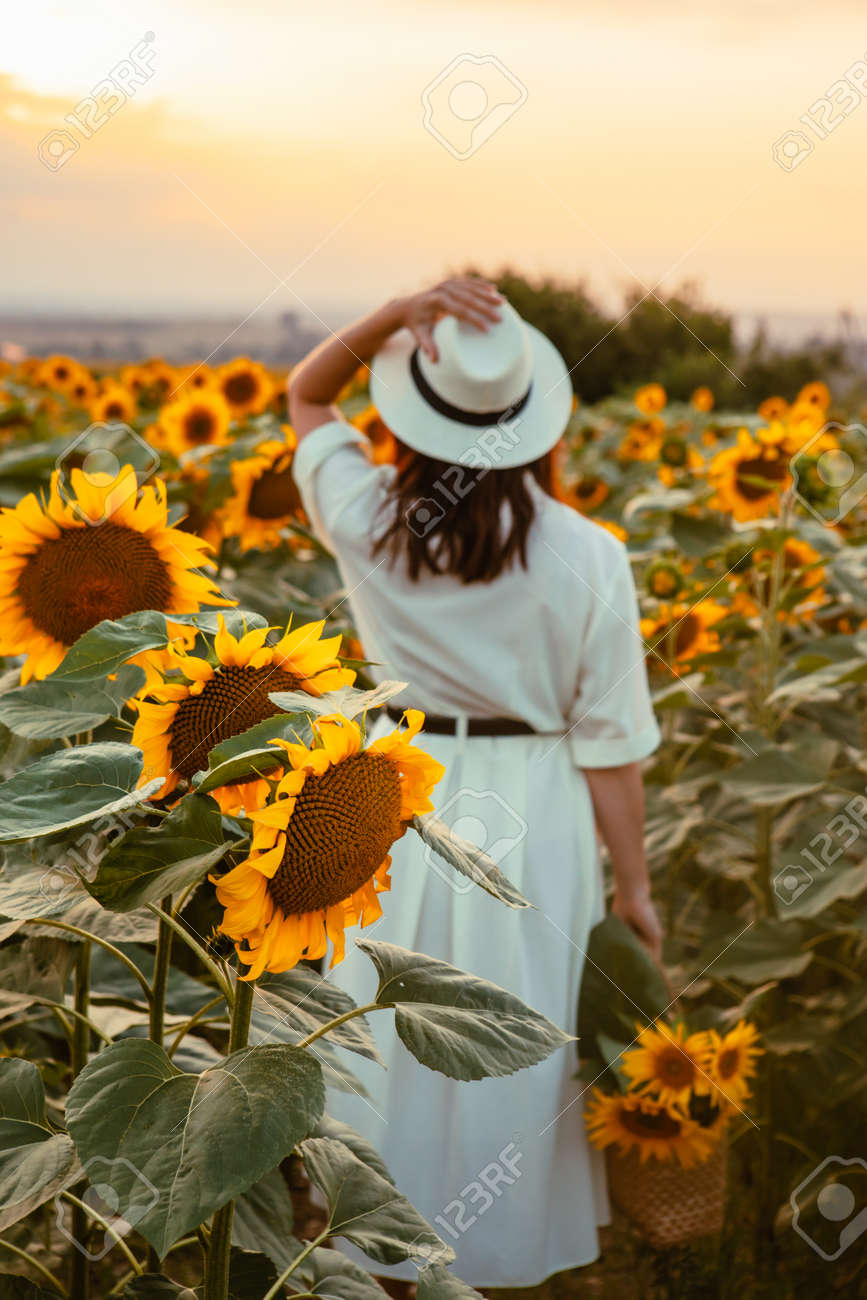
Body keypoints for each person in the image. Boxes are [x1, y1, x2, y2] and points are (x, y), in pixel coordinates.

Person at [288, 278, 662, 1294]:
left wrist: (392, 312)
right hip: (536, 812)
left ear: (413, 415)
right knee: (511, 1037)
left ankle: (378, 1259)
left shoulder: (368, 517)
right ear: (531, 419)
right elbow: (610, 747)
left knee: (387, 1028)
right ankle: (488, 1260)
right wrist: (633, 891)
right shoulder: (589, 555)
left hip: (392, 800)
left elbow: (308, 394)